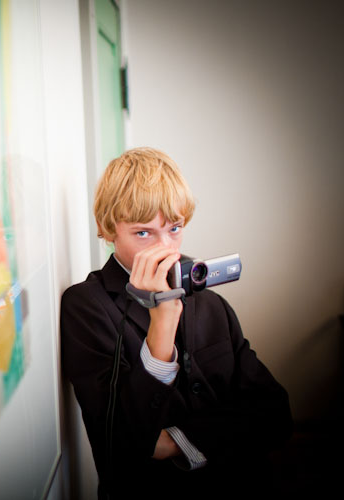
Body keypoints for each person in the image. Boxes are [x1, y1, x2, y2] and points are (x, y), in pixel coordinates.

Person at [60, 148, 292, 499]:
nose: (166, 248)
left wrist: (177, 442)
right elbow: (125, 442)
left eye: (174, 228)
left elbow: (275, 413)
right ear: (108, 230)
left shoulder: (211, 303)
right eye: (143, 233)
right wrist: (163, 321)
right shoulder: (87, 306)